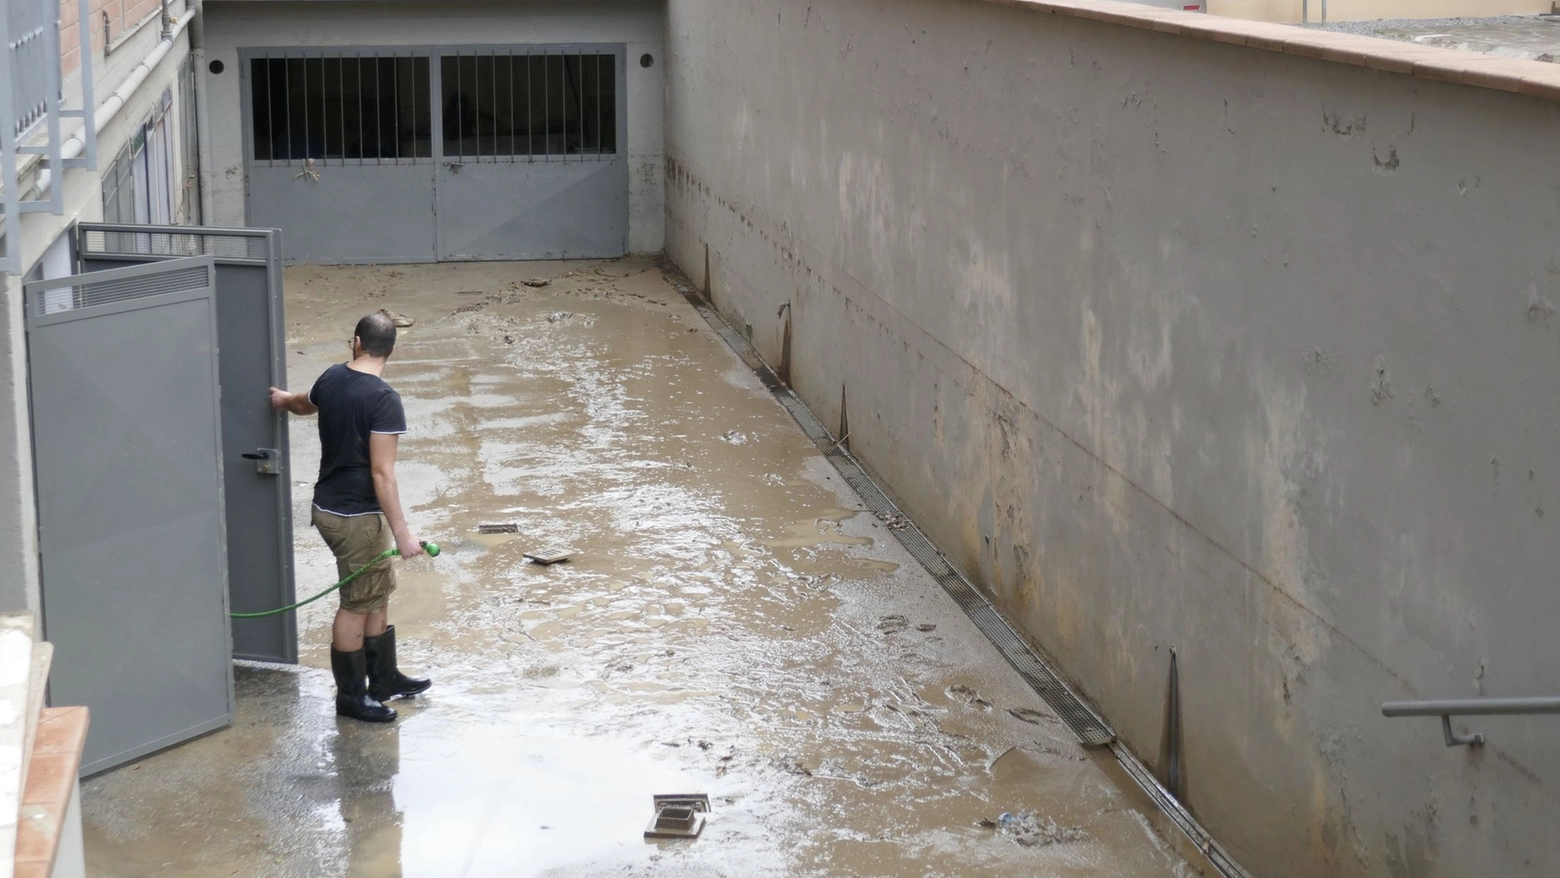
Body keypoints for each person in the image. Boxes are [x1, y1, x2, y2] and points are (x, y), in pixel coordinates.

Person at [269, 312, 432, 723]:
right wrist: (404, 535)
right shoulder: (383, 400)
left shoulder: (332, 378)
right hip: (356, 516)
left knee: (375, 591)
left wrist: (281, 400)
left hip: (330, 507)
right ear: (390, 350)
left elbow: (302, 404)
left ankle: (383, 679)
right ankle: (350, 698)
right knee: (356, 605)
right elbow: (382, 473)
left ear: (356, 342)